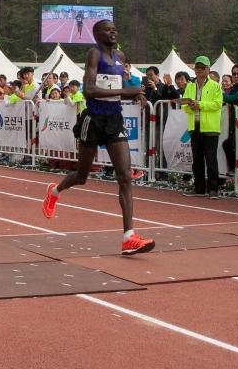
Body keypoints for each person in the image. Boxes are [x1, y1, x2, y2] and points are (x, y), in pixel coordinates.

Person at [42, 19, 154, 255]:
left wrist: (137, 97)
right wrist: (126, 91)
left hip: (114, 119)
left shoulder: (121, 57)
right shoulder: (93, 54)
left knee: (124, 175)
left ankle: (128, 237)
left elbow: (122, 82)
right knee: (82, 176)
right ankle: (54, 191)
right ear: (96, 34)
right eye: (107, 29)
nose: (113, 31)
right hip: (93, 119)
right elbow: (90, 90)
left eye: (115, 28)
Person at [179, 55, 224, 196]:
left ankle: (213, 189)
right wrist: (190, 107)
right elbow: (184, 105)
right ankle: (199, 188)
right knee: (197, 160)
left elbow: (217, 104)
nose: (199, 70)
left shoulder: (215, 85)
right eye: (197, 67)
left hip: (210, 127)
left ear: (208, 69)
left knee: (211, 159)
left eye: (202, 67)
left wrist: (200, 105)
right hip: (194, 126)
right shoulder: (190, 85)